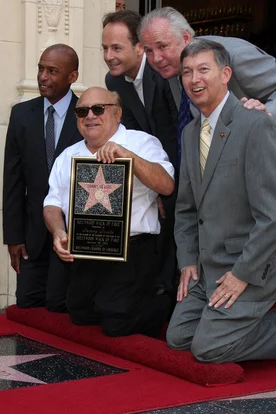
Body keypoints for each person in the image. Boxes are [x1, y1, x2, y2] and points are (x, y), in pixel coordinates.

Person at [166, 39, 276, 363]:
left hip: (252, 266)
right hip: (207, 267)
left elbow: (271, 216)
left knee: (207, 349)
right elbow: (185, 208)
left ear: (225, 74)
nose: (194, 79)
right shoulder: (189, 132)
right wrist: (187, 260)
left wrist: (242, 274)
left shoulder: (255, 123)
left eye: (204, 70)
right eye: (187, 72)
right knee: (178, 338)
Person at [43, 87, 175, 338]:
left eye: (98, 109)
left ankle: (162, 302)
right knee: (80, 314)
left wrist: (129, 157)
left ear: (118, 114)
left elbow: (167, 185)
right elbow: (52, 203)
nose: (90, 116)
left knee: (115, 324)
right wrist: (59, 231)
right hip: (86, 248)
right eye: (82, 111)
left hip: (133, 250)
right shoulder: (68, 155)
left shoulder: (141, 142)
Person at [102, 10, 179, 298]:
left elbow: (181, 133)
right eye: (105, 48)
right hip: (155, 169)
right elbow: (134, 139)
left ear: (138, 48)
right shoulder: (114, 83)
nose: (109, 56)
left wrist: (168, 184)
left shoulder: (165, 73)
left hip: (183, 165)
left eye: (116, 48)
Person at [2, 44, 82, 312]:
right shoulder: (22, 115)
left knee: (60, 307)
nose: (42, 77)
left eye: (52, 71)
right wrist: (13, 236)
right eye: (40, 68)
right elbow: (13, 180)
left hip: (74, 237)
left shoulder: (88, 116)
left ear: (72, 76)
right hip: (32, 237)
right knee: (27, 304)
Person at [139, 6, 276, 119]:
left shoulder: (235, 55)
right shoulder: (171, 68)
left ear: (186, 37)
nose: (156, 58)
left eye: (163, 46)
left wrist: (265, 116)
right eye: (149, 50)